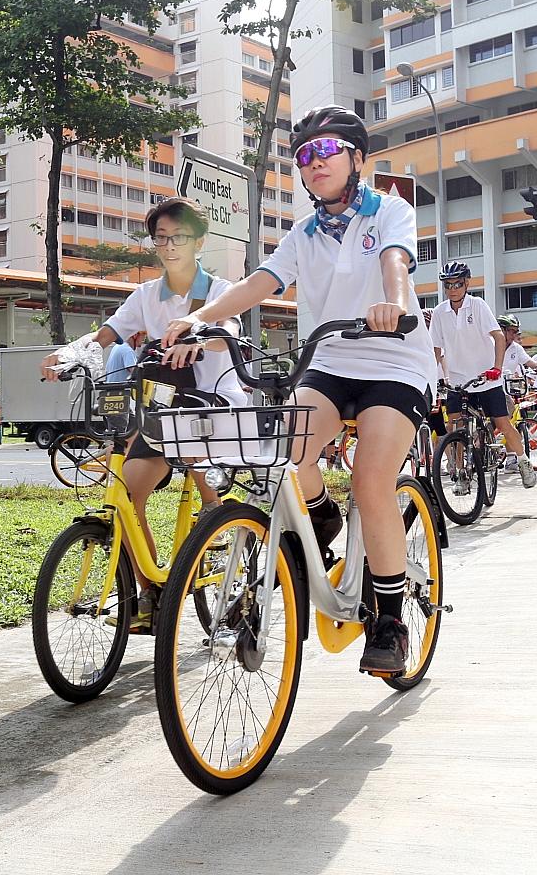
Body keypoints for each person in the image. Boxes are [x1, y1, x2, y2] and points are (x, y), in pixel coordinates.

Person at [162, 104, 437, 675]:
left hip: (395, 357)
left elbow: (396, 263)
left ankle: (388, 619)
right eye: (305, 156)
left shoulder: (389, 209)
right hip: (332, 354)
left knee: (370, 479)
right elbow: (261, 282)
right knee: (290, 452)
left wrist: (397, 305)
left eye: (327, 151)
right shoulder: (303, 233)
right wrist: (201, 318)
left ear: (358, 159)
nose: (314, 164)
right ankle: (320, 515)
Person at [41, 198, 244, 633]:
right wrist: (68, 354)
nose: (170, 246)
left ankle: (218, 519)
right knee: (127, 495)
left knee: (198, 466)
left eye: (180, 237)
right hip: (164, 407)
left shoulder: (220, 292)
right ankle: (150, 593)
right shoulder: (146, 296)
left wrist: (199, 340)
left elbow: (228, 334)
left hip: (212, 405)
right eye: (162, 238)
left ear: (199, 241)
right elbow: (107, 334)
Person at [430, 261, 537, 491]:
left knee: (503, 423)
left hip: (487, 378)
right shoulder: (440, 312)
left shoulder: (477, 305)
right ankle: (460, 475)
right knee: (454, 427)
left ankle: (523, 461)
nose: (453, 289)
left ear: (467, 283)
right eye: (448, 285)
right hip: (458, 381)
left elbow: (499, 337)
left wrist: (497, 368)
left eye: (458, 283)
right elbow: (436, 350)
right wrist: (431, 377)